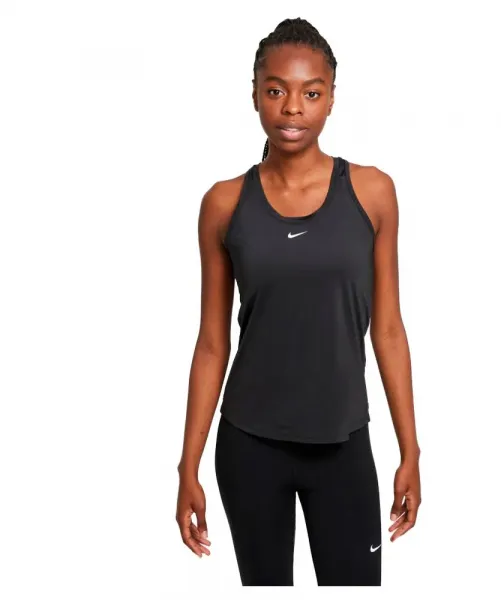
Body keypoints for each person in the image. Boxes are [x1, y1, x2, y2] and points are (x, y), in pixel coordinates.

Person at [176, 17, 421, 586]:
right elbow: (212, 343)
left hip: (342, 444)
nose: (292, 107)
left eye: (311, 93)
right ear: (255, 94)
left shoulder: (372, 192)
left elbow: (388, 329)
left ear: (331, 98)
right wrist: (188, 463)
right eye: (276, 90)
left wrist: (410, 448)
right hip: (249, 445)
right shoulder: (223, 203)